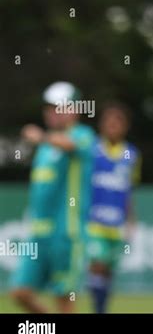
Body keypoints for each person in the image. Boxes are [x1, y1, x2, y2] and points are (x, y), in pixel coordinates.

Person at [9, 81, 95, 313]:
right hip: (38, 233)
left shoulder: (83, 135)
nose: (52, 113)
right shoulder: (45, 147)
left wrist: (42, 137)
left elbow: (70, 144)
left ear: (75, 109)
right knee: (19, 292)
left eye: (58, 107)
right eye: (49, 108)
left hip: (67, 232)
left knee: (64, 299)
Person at [86, 102, 140, 313]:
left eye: (117, 123)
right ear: (101, 125)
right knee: (97, 265)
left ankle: (102, 308)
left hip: (116, 223)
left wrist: (131, 220)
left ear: (124, 126)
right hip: (93, 221)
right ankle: (97, 310)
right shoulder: (92, 150)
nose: (112, 126)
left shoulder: (132, 154)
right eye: (109, 122)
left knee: (108, 271)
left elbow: (129, 190)